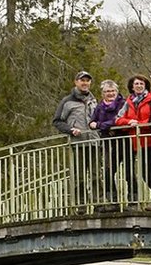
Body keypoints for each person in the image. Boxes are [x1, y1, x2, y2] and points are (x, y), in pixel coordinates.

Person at [52, 70, 100, 205]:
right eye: (82, 80)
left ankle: (98, 203)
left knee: (96, 174)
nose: (85, 83)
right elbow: (57, 121)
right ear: (76, 82)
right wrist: (70, 130)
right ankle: (81, 204)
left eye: (87, 80)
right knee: (79, 176)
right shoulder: (67, 101)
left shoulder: (94, 100)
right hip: (77, 143)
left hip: (94, 142)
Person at [116, 74, 151, 200]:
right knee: (142, 172)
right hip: (134, 141)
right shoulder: (128, 101)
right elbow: (118, 119)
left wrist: (139, 124)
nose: (139, 86)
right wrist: (129, 122)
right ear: (132, 86)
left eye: (142, 83)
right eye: (136, 84)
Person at [90, 79, 128, 203]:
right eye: (107, 91)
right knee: (108, 170)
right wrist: (100, 125)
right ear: (102, 93)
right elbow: (91, 122)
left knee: (129, 170)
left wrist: (101, 125)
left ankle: (133, 199)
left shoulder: (122, 103)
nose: (110, 93)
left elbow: (118, 120)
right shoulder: (100, 107)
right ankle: (113, 198)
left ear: (117, 92)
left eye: (112, 91)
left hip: (123, 140)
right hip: (107, 142)